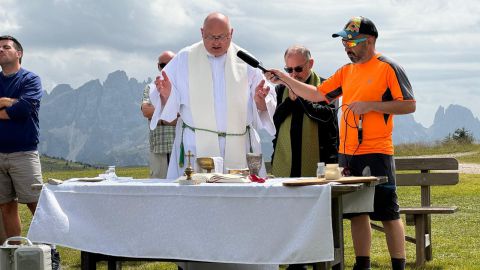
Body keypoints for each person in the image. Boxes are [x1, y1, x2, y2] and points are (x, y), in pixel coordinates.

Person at [265, 17, 415, 270]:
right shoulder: (346, 71)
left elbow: (409, 104)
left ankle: (398, 265)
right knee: (357, 212)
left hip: (377, 151)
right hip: (347, 153)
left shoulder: (388, 67)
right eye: (344, 41)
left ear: (369, 41)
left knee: (388, 212)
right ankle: (362, 265)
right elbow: (317, 94)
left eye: (352, 41)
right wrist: (285, 79)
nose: (347, 46)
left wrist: (371, 106)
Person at [151, 12, 276, 180]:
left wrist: (260, 102)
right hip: (195, 145)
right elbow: (165, 102)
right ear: (202, 32)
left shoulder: (246, 61)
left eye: (222, 36)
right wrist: (166, 95)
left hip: (239, 144)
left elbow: (264, 105)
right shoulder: (184, 58)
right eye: (210, 37)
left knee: (239, 202)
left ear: (231, 33)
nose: (216, 42)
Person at [0, 35, 60, 269]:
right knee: (5, 205)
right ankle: (13, 255)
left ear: (19, 53)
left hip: (24, 153)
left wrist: (6, 102)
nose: (1, 51)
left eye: (6, 47)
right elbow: (19, 108)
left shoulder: (30, 79)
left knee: (35, 204)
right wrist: (9, 103)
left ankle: (49, 252)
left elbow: (26, 109)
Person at [271, 45, 338, 181]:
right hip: (286, 160)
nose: (294, 74)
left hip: (321, 161)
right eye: (289, 70)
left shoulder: (326, 86)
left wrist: (301, 97)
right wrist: (289, 100)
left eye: (298, 69)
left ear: (311, 64)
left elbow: (327, 116)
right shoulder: (280, 90)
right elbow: (274, 122)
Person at [141, 51, 176, 178]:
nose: (166, 67)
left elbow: (186, 115)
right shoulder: (150, 88)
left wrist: (157, 117)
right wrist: (172, 115)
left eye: (170, 63)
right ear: (158, 67)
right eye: (163, 65)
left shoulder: (183, 86)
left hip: (181, 147)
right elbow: (146, 111)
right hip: (159, 148)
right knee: (159, 187)